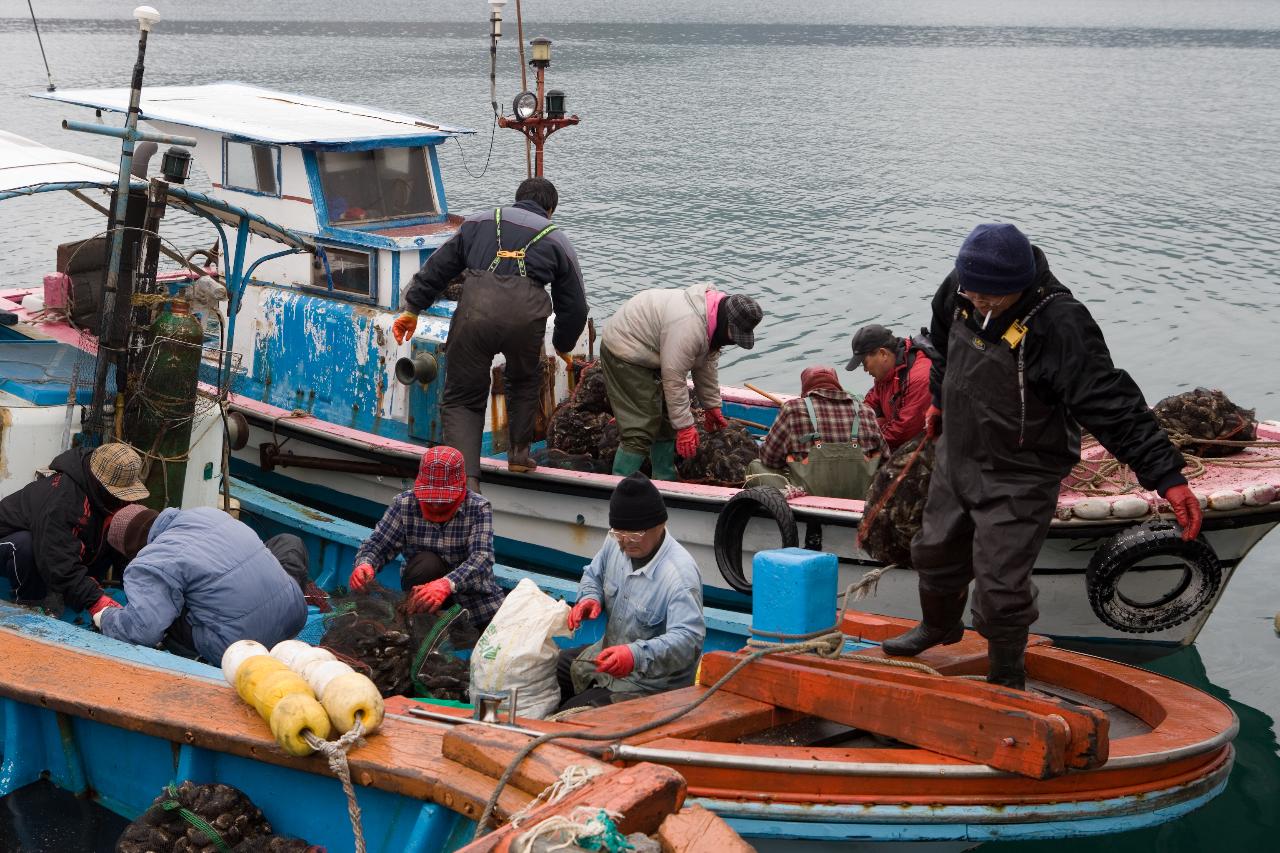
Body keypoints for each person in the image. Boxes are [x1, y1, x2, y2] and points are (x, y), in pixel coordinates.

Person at [883, 223, 1203, 690]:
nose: (978, 304)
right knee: (933, 550)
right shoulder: (960, 289)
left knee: (1000, 589)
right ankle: (940, 626)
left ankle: (1006, 673)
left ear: (1019, 284)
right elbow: (942, 348)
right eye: (972, 295)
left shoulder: (1060, 321)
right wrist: (938, 399)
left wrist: (1167, 476)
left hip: (1020, 473)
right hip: (959, 453)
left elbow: (1109, 402)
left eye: (991, 299)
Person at [392, 177, 588, 487]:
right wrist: (563, 343)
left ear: (516, 199)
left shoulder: (478, 222)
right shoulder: (557, 239)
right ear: (550, 209)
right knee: (524, 379)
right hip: (526, 321)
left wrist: (412, 308)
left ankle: (465, 481)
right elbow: (575, 306)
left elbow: (438, 267)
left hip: (475, 315)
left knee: (462, 398)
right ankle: (520, 456)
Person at [557, 473, 705, 711]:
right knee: (554, 667)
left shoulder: (679, 575)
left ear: (660, 525)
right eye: (618, 533)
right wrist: (589, 598)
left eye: (634, 535)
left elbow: (688, 641)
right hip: (609, 655)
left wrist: (635, 655)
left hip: (649, 685)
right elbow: (593, 574)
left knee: (570, 713)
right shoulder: (615, 540)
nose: (624, 542)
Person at [94, 505, 308, 663]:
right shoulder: (206, 513)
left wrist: (106, 618)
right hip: (293, 616)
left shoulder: (148, 562)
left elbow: (144, 630)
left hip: (240, 647)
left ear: (130, 551)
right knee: (288, 542)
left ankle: (200, 660)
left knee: (164, 615)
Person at [600, 282, 763, 480]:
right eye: (735, 335)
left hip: (653, 353)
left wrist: (711, 406)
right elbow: (674, 377)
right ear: (726, 322)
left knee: (668, 418)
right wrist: (686, 427)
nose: (733, 341)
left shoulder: (712, 321)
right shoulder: (689, 326)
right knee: (641, 425)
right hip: (625, 350)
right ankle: (619, 484)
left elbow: (706, 365)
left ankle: (664, 478)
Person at [349, 446, 504, 632]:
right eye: (431, 499)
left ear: (462, 486)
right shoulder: (404, 503)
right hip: (422, 602)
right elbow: (378, 544)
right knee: (427, 563)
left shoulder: (479, 507)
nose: (436, 505)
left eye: (443, 499)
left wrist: (446, 584)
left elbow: (482, 558)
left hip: (475, 603)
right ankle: (421, 626)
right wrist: (365, 564)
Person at [0, 443, 148, 616]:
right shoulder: (63, 500)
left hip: (51, 551)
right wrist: (95, 601)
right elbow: (56, 556)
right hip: (11, 545)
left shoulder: (115, 502)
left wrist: (141, 596)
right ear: (98, 482)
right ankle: (28, 606)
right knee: (25, 544)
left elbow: (124, 552)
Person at [746, 366, 884, 499]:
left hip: (807, 497)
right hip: (860, 497)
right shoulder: (866, 411)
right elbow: (885, 460)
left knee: (755, 467)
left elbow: (769, 459)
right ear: (837, 385)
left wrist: (793, 458)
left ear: (805, 388)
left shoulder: (793, 408)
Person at [848, 323, 934, 452]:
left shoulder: (919, 377)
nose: (865, 370)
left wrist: (861, 442)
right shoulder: (886, 374)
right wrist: (852, 427)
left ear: (883, 354)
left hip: (932, 442)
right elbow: (870, 403)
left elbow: (903, 431)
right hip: (903, 434)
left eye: (864, 363)